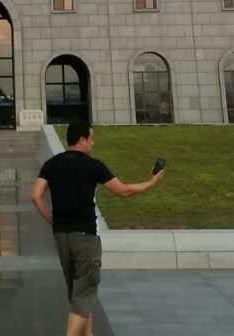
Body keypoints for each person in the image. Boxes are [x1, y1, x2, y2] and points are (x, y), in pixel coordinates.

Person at [32, 121, 165, 336]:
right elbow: (123, 191)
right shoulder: (93, 165)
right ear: (82, 139)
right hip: (85, 238)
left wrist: (51, 220)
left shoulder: (51, 164)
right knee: (84, 294)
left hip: (61, 236)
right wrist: (152, 182)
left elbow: (35, 195)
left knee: (79, 295)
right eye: (91, 138)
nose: (93, 142)